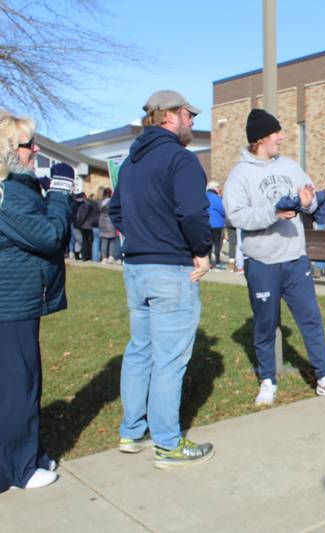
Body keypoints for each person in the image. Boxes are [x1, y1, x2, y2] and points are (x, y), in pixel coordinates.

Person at [109, 89, 215, 469]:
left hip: (136, 268)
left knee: (140, 350)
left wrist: (138, 237)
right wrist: (200, 250)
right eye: (189, 115)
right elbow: (192, 213)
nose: (192, 122)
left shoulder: (132, 162)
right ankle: (168, 443)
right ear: (169, 115)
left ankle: (132, 431)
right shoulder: (179, 159)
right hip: (170, 269)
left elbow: (116, 209)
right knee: (169, 358)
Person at [224, 108, 325, 407]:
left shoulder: (290, 166)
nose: (282, 137)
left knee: (311, 319)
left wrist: (308, 202)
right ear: (261, 138)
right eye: (276, 132)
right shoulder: (240, 174)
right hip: (262, 262)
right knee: (265, 324)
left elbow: (311, 197)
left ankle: (324, 376)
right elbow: (236, 215)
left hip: (295, 259)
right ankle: (268, 379)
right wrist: (273, 213)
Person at [0, 115, 73, 491]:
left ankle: (24, 456)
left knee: (16, 384)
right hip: (10, 306)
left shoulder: (15, 188)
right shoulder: (7, 194)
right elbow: (49, 236)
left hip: (13, 302)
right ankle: (21, 469)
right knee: (19, 386)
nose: (36, 151)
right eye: (30, 145)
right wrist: (60, 192)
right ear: (11, 151)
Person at [206, 180, 226, 270]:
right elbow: (222, 209)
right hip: (216, 223)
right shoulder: (215, 197)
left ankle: (209, 263)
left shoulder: (204, 196)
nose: (220, 189)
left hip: (206, 223)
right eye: (218, 187)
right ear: (215, 188)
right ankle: (217, 263)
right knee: (217, 244)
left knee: (208, 244)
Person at [98, 187, 117, 263]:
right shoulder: (112, 202)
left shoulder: (100, 202)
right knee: (112, 241)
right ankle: (111, 256)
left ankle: (104, 258)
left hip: (102, 222)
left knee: (104, 241)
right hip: (110, 222)